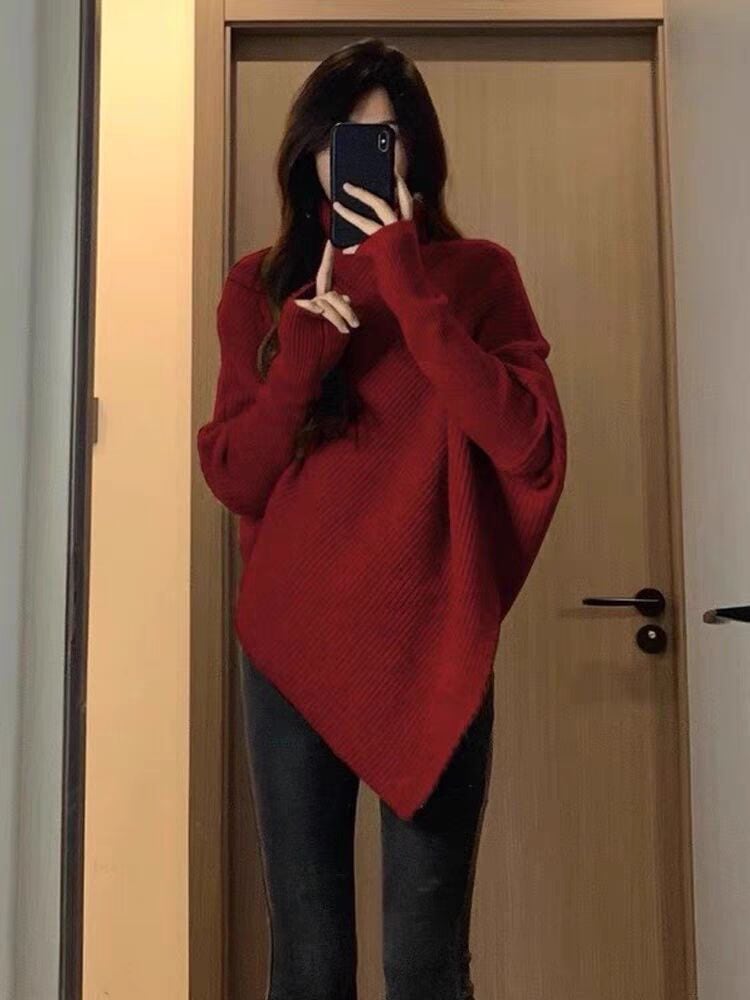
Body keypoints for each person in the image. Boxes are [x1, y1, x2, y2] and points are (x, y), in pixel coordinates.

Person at [197, 37, 567, 1000]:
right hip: (294, 641)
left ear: (418, 155)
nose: (361, 157)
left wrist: (408, 284)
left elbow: (527, 443)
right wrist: (302, 356)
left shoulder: (477, 275)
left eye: (385, 138)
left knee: (426, 964)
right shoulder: (261, 285)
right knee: (308, 961)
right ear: (309, 153)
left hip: (435, 638)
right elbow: (236, 475)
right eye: (342, 137)